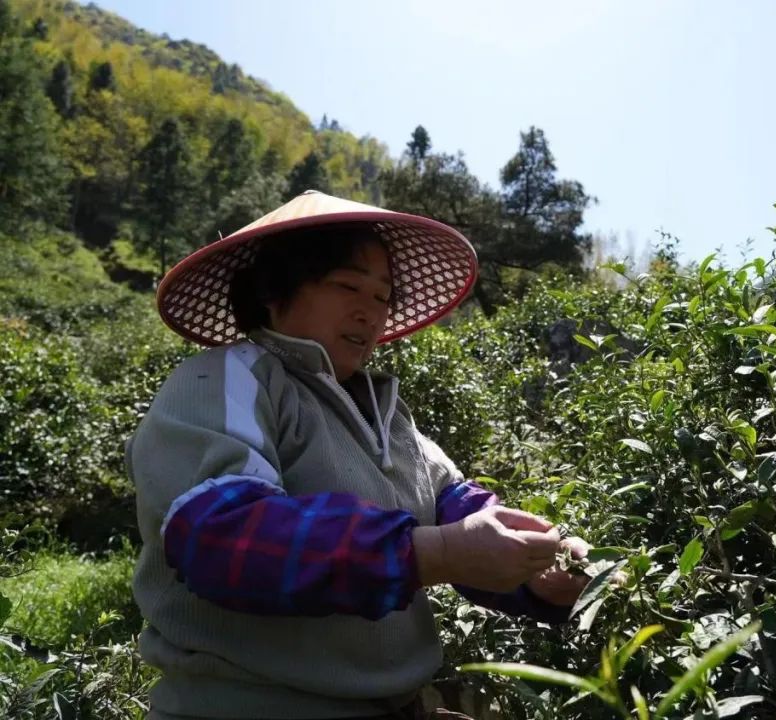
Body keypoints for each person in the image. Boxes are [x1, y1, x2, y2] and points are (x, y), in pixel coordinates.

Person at [127, 190, 590, 720]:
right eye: (347, 285)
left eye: (382, 297)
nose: (369, 312)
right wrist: (433, 554)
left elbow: (452, 505)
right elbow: (224, 534)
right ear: (274, 293)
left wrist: (539, 571)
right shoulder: (226, 379)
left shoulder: (385, 410)